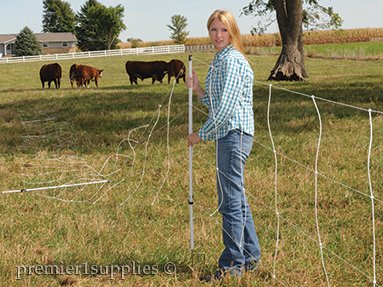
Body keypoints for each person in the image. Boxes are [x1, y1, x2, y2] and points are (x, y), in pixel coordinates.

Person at [186, 9, 261, 281]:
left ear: (233, 32)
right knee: (237, 198)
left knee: (229, 202)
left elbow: (226, 109)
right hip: (229, 134)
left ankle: (232, 266)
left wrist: (200, 134)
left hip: (234, 134)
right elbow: (217, 102)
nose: (218, 35)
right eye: (213, 30)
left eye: (223, 30)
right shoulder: (221, 60)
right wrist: (197, 90)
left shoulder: (232, 61)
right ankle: (251, 256)